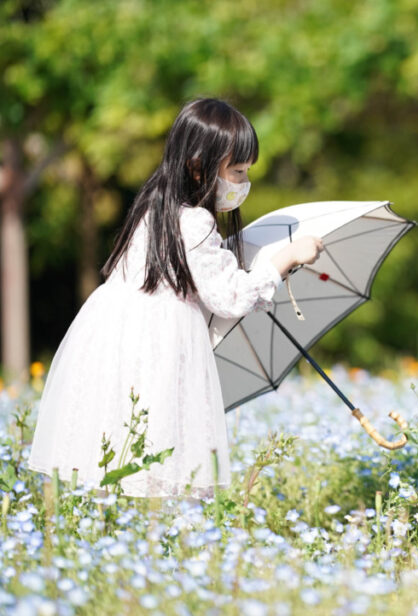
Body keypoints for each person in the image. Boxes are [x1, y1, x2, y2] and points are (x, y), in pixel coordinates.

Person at [28, 98, 324, 498]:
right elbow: (231, 298)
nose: (243, 183)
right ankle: (157, 542)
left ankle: (124, 540)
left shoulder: (152, 210)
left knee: (120, 449)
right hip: (160, 345)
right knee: (163, 459)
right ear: (199, 165)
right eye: (237, 171)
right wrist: (286, 257)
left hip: (111, 338)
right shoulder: (196, 221)